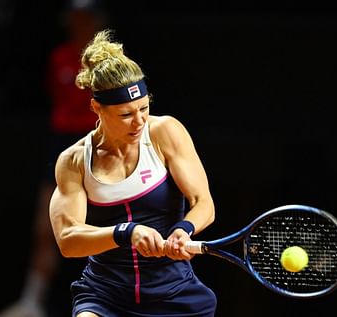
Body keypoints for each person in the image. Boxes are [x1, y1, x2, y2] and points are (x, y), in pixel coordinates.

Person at [48, 29, 217, 317]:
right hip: (104, 295)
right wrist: (125, 233)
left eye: (144, 108)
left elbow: (204, 204)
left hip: (174, 294)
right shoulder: (74, 161)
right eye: (126, 114)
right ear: (96, 108)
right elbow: (68, 239)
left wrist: (184, 229)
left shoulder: (165, 132)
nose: (139, 121)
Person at [0, 2, 108, 317]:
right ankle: (31, 303)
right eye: (75, 17)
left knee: (102, 231)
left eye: (86, 17)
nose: (79, 23)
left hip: (97, 147)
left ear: (96, 20)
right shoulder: (58, 59)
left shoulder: (110, 62)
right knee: (46, 228)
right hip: (60, 146)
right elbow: (58, 100)